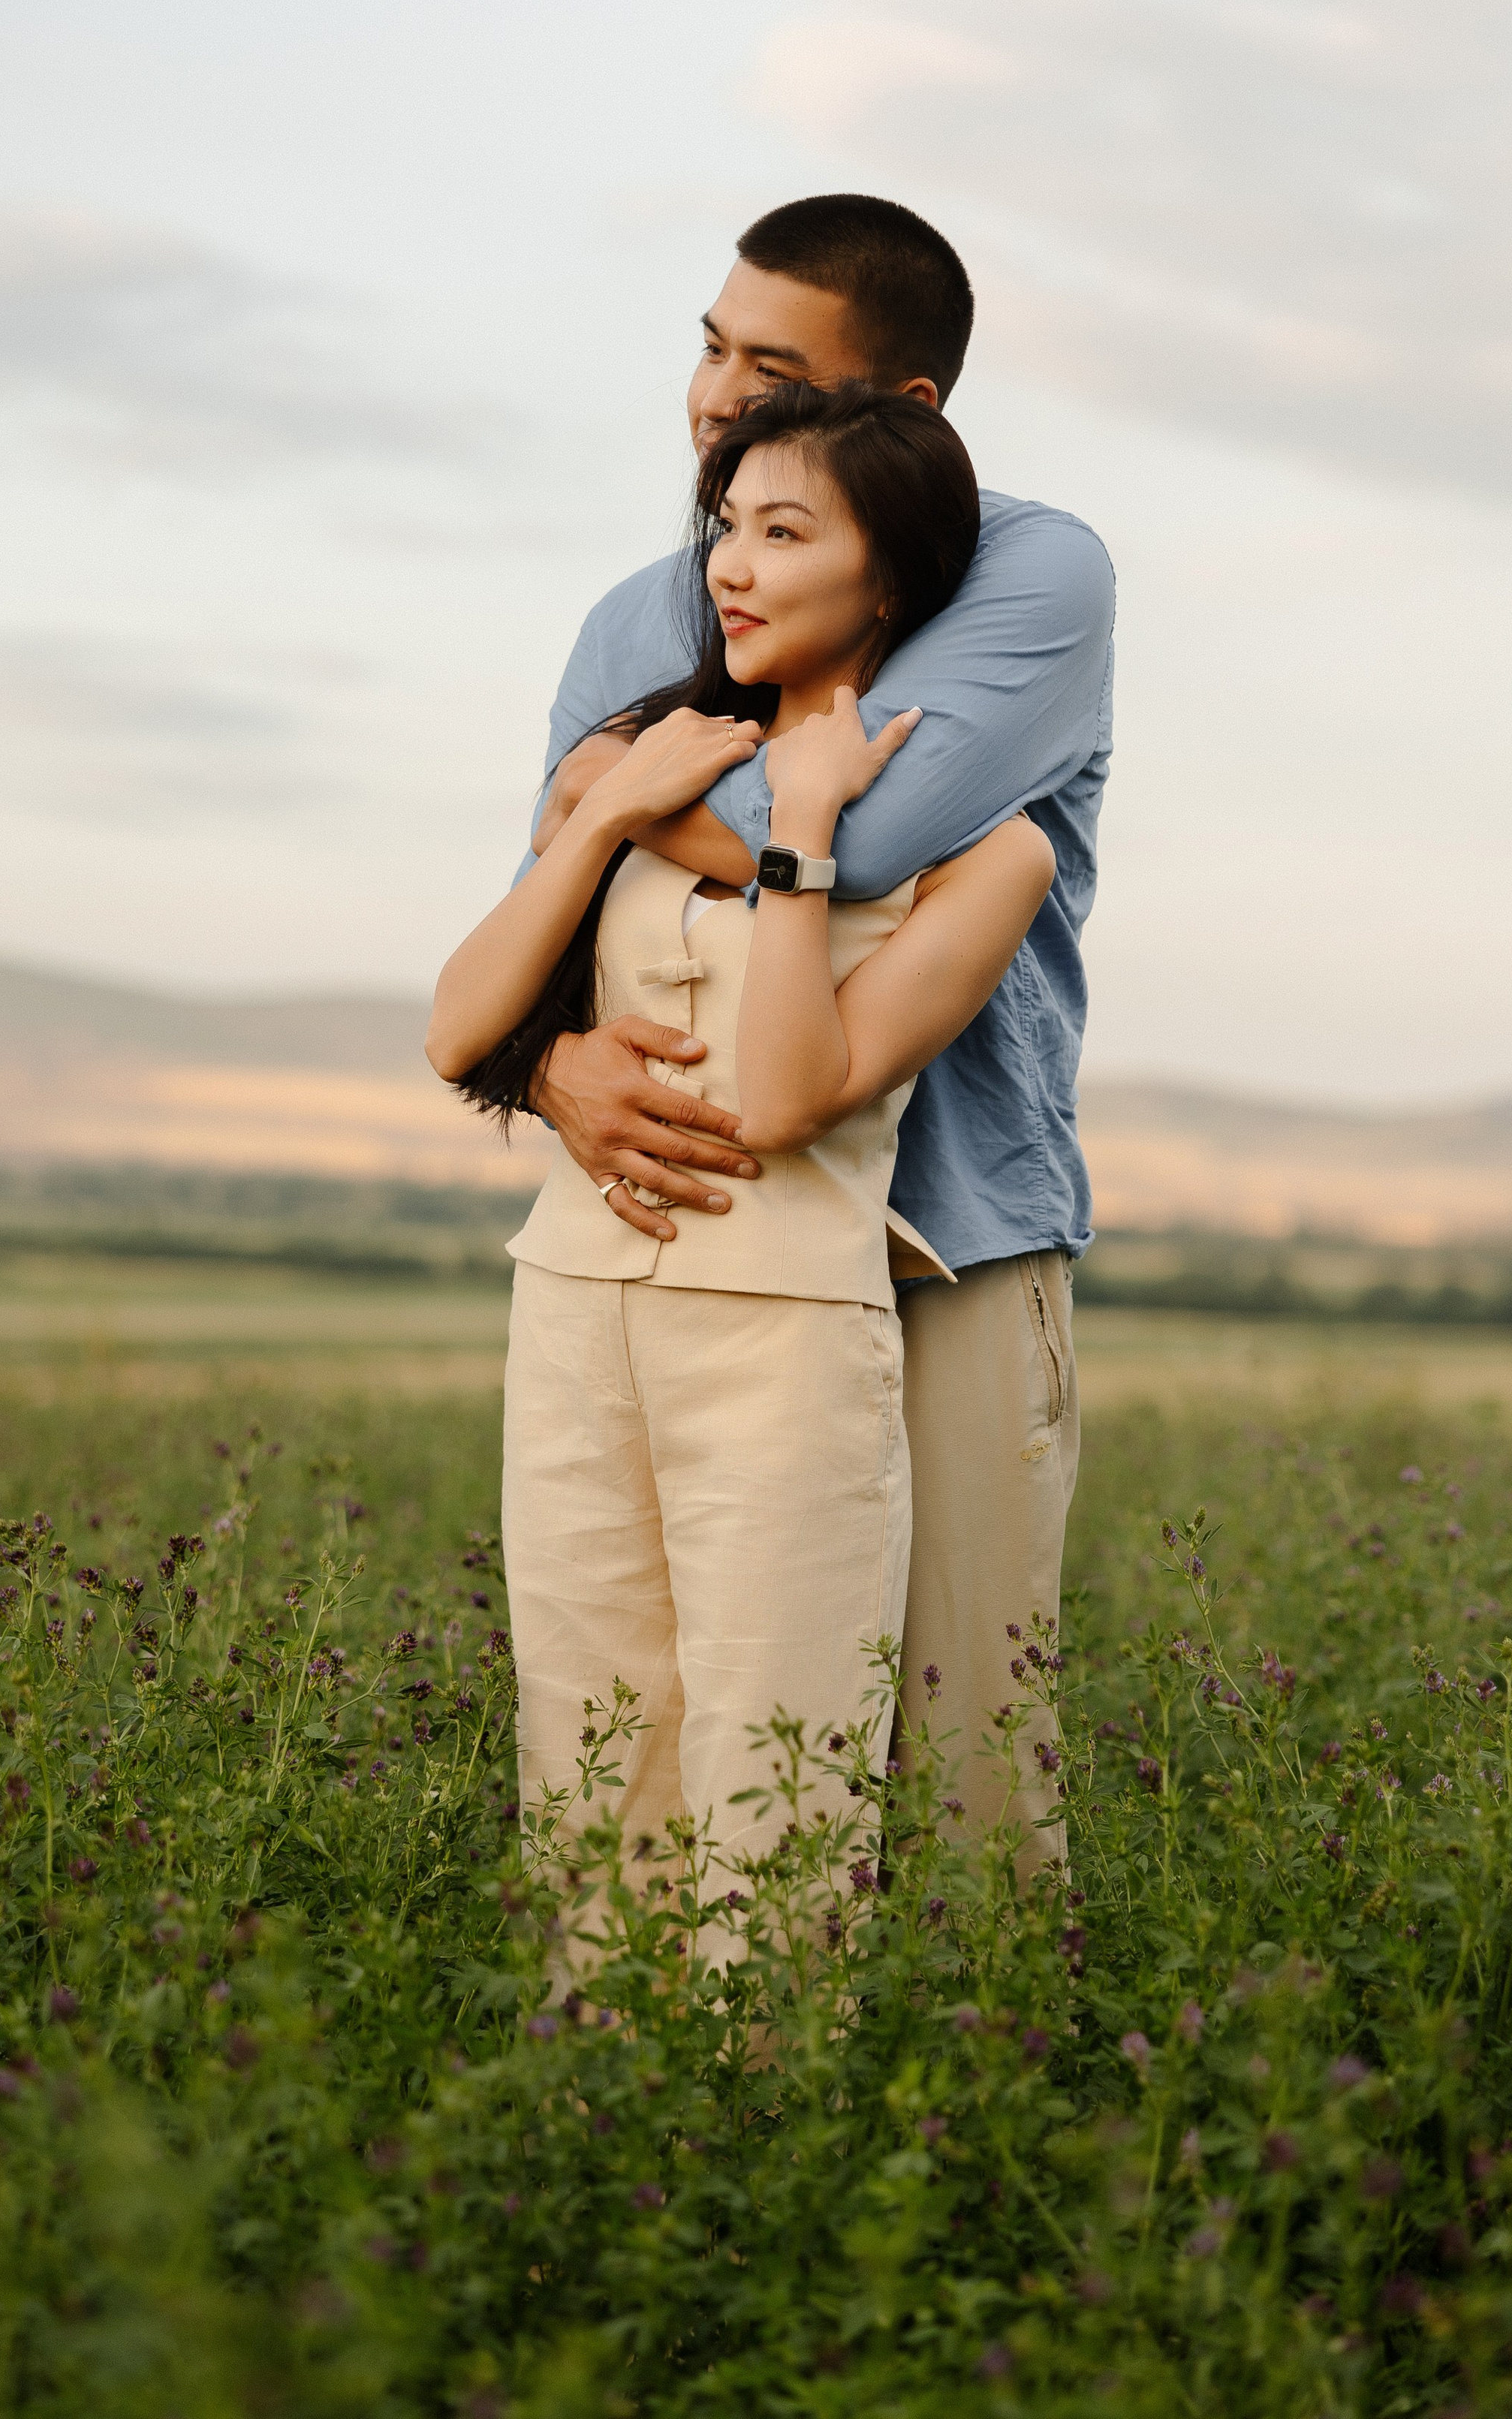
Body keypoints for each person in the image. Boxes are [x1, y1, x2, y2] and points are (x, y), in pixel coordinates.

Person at [524, 196, 1114, 1872]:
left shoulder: (1032, 569)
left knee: (959, 1760)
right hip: (697, 1244)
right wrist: (557, 1071)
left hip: (946, 1241)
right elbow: (528, 932)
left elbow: (861, 841)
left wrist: (623, 793)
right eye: (710, 344)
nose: (715, 394)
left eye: (770, 365)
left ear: (903, 410)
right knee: (642, 1734)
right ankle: (659, 2115)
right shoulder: (638, 621)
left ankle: (971, 2114)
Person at [428, 384, 1055, 1906]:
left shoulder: (989, 851)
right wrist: (594, 816)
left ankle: (760, 2117)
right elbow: (460, 1029)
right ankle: (607, 2119)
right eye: (725, 527)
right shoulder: (637, 756)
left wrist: (802, 836)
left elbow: (784, 1099)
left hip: (783, 1335)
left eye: (783, 532)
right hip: (573, 1304)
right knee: (586, 1756)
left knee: (776, 1771)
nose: (731, 565)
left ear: (889, 577)